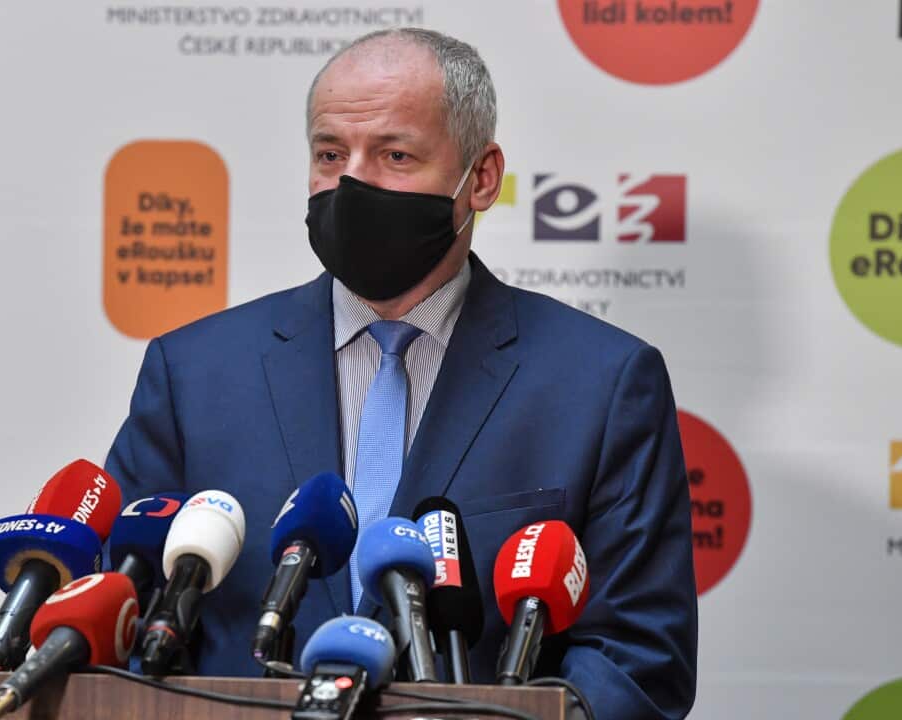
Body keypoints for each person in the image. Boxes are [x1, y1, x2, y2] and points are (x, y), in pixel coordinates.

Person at [106, 27, 697, 719]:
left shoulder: (602, 383)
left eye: (395, 155)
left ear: (481, 178)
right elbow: (120, 616)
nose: (353, 183)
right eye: (331, 154)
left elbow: (636, 659)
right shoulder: (194, 371)